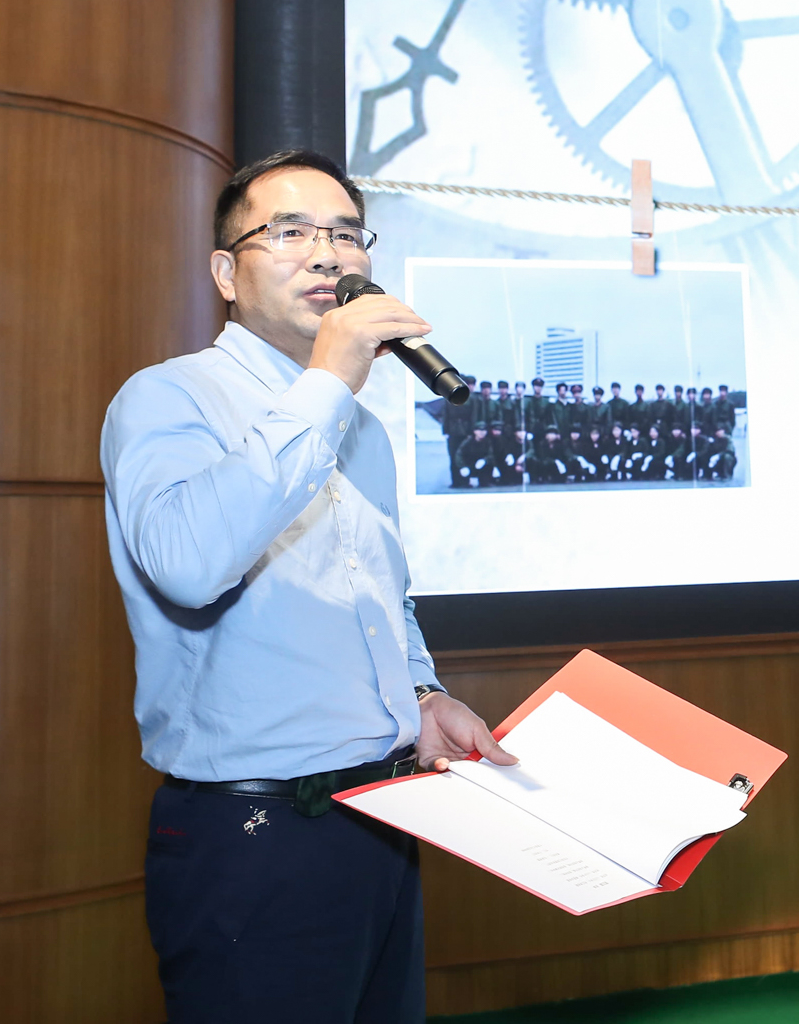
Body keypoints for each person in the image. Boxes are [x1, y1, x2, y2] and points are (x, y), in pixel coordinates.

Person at [102, 149, 515, 1022]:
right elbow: (187, 563)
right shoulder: (168, 397)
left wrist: (422, 693)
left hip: (387, 814)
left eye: (346, 234)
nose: (328, 254)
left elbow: (382, 594)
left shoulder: (360, 428)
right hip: (254, 836)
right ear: (227, 273)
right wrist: (326, 382)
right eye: (290, 232)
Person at [453, 422, 496, 489]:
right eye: (479, 430)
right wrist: (462, 466)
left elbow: (491, 454)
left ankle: (484, 481)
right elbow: (459, 454)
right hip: (469, 464)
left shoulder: (488, 441)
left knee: (489, 465)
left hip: (481, 465)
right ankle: (465, 482)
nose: (482, 432)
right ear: (475, 431)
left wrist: (484, 460)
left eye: (484, 430)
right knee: (463, 475)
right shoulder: (468, 441)